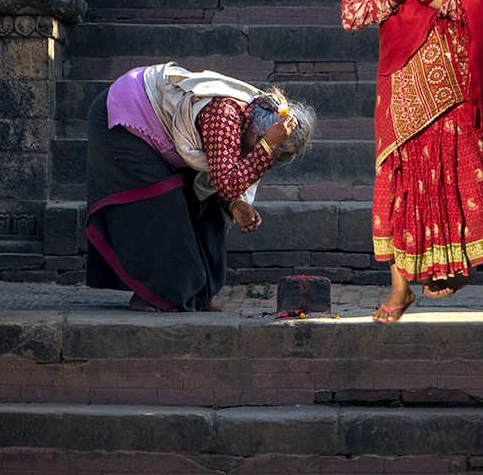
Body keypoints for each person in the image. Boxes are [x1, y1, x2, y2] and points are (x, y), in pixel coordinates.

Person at [340, 0, 483, 322]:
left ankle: (447, 265)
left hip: (449, 81)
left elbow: (478, 4)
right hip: (399, 79)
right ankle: (399, 286)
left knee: (447, 170)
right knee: (400, 175)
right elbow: (350, 14)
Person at [85, 63, 316, 312]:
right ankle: (151, 294)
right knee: (167, 199)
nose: (265, 160)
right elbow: (228, 183)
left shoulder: (253, 125)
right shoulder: (224, 115)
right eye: (269, 153)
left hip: (168, 135)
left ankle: (200, 295)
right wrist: (266, 150)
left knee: (206, 206)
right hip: (125, 117)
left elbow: (222, 184)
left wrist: (234, 203)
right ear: (259, 137)